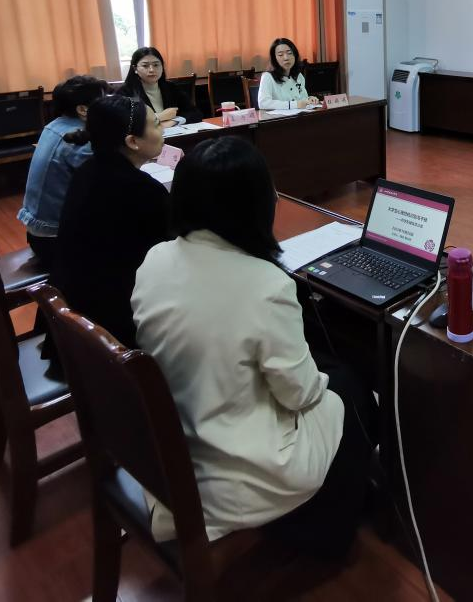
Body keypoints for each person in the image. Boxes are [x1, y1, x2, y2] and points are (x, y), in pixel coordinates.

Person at [132, 137, 374, 557]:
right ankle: (327, 534)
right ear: (254, 205)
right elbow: (301, 394)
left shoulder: (155, 258)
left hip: (175, 437)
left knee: (331, 374)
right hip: (233, 468)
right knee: (348, 394)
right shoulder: (267, 285)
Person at [47, 95, 169, 370]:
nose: (162, 130)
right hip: (112, 334)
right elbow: (170, 255)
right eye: (156, 124)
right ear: (132, 141)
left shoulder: (87, 171)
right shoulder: (143, 190)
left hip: (73, 318)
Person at [16, 75, 107, 267]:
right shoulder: (79, 141)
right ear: (83, 109)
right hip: (55, 239)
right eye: (103, 100)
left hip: (38, 232)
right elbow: (105, 181)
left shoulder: (54, 125)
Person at [119, 45, 201, 124]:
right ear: (135, 69)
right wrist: (159, 117)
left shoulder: (171, 88)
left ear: (162, 66)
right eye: (145, 66)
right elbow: (123, 121)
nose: (151, 70)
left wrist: (174, 122)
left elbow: (195, 113)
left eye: (156, 65)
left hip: (174, 132)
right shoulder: (125, 92)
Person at [257, 37, 320, 110]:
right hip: (278, 116)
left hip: (300, 115)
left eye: (289, 53)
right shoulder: (267, 77)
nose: (286, 58)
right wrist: (294, 105)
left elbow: (302, 98)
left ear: (295, 55)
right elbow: (263, 103)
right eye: (280, 55)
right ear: (274, 58)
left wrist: (309, 99)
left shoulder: (298, 76)